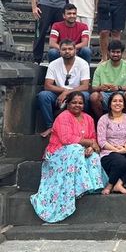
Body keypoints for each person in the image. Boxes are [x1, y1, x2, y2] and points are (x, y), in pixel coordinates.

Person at [31, 91, 106, 223]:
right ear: (68, 104)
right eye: (74, 102)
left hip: (79, 150)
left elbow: (93, 137)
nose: (77, 105)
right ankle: (78, 188)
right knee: (75, 149)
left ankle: (92, 187)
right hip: (58, 153)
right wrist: (89, 143)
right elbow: (67, 139)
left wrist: (90, 147)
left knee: (93, 156)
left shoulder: (88, 118)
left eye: (80, 103)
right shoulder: (63, 117)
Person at [37, 40, 90, 138]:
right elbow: (47, 85)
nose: (67, 51)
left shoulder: (83, 64)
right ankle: (50, 126)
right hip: (58, 94)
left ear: (75, 51)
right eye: (64, 49)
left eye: (70, 49)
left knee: (86, 96)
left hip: (77, 93)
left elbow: (85, 86)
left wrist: (68, 92)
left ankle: (82, 125)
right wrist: (64, 91)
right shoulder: (53, 64)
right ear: (59, 51)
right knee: (43, 95)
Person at [97, 91, 126, 195]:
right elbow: (101, 141)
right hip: (109, 151)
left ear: (124, 104)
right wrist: (117, 150)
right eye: (114, 101)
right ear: (110, 104)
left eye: (120, 101)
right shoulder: (103, 119)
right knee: (121, 162)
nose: (118, 103)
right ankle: (110, 185)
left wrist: (124, 147)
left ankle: (119, 184)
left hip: (125, 148)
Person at [90, 40, 126, 119]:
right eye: (113, 52)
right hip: (105, 94)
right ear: (108, 52)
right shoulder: (101, 67)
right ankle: (102, 120)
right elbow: (94, 87)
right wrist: (100, 87)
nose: (115, 54)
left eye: (118, 52)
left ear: (122, 53)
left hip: (121, 93)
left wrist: (118, 87)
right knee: (94, 96)